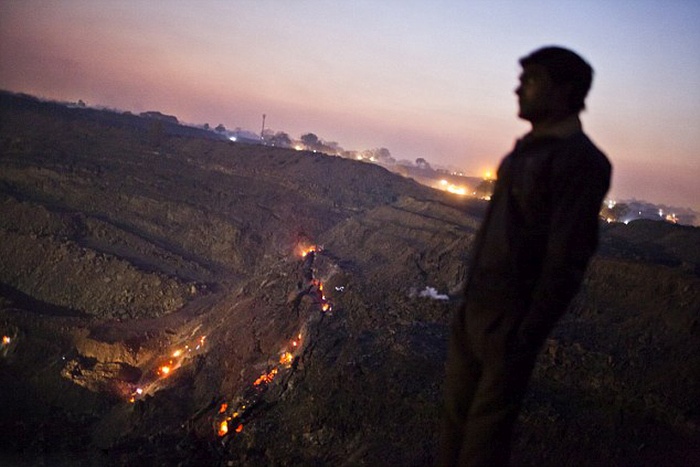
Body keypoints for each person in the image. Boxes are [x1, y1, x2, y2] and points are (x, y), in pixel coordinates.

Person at [438, 46, 612, 466]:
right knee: (453, 429)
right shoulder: (525, 153)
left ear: (565, 92)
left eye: (531, 79)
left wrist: (524, 333)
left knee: (483, 440)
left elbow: (566, 260)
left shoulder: (581, 162)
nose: (518, 87)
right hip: (477, 311)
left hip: (508, 323)